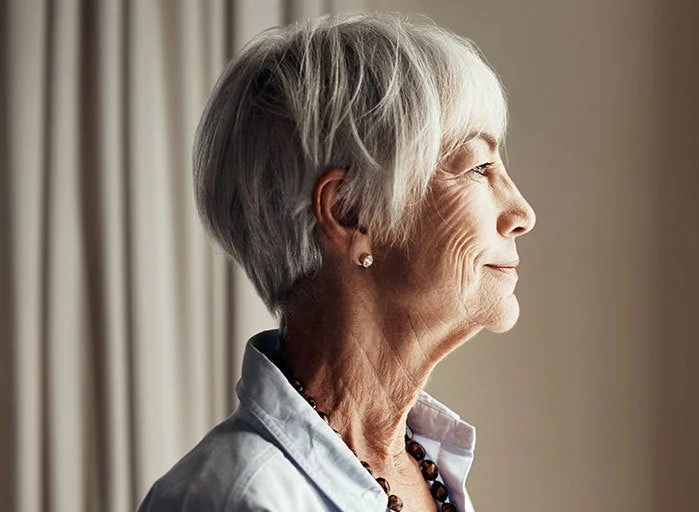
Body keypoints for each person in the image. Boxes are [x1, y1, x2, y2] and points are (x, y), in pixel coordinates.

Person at [139, 12, 535, 512]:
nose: (522, 213)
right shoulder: (235, 498)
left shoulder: (421, 466)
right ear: (350, 212)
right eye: (479, 167)